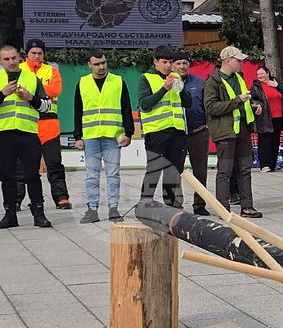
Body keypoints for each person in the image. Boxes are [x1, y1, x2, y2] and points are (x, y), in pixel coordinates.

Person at [0, 46, 52, 228]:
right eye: (6, 59)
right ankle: (9, 215)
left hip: (28, 134)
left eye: (14, 58)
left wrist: (31, 98)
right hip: (3, 134)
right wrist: (2, 94)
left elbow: (47, 107)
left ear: (19, 58)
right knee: (7, 176)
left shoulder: (32, 78)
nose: (11, 62)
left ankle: (39, 213)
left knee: (32, 175)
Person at [72, 49, 134, 223]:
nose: (101, 66)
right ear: (89, 65)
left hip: (113, 136)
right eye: (97, 64)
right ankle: (92, 209)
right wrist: (78, 136)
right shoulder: (82, 83)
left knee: (113, 174)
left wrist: (128, 133)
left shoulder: (117, 82)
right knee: (92, 175)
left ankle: (113, 208)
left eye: (103, 63)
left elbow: (126, 108)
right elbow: (78, 111)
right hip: (91, 136)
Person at [204, 46, 263, 217]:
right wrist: (237, 101)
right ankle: (223, 208)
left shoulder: (239, 78)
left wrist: (253, 107)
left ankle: (247, 206)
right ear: (227, 61)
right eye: (238, 60)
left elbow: (242, 103)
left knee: (245, 169)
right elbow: (211, 107)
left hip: (243, 129)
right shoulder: (213, 81)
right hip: (225, 131)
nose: (242, 63)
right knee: (225, 170)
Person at [17, 39, 71, 210]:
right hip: (27, 125)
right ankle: (17, 200)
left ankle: (61, 198)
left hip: (50, 126)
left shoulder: (52, 70)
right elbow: (17, 90)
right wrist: (43, 89)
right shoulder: (19, 70)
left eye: (40, 53)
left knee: (54, 164)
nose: (37, 56)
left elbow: (56, 90)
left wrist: (31, 90)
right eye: (33, 53)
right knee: (21, 168)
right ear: (27, 54)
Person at [138, 45, 192, 207]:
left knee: (173, 172)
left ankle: (169, 206)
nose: (168, 66)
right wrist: (163, 89)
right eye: (164, 62)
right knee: (154, 171)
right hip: (156, 133)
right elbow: (144, 104)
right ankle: (145, 203)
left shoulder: (176, 77)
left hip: (177, 132)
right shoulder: (146, 78)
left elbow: (188, 103)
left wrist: (181, 89)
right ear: (156, 62)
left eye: (170, 62)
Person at [174, 52, 211, 216]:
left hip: (198, 132)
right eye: (178, 63)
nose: (181, 66)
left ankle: (200, 205)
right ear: (172, 65)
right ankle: (176, 205)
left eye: (184, 63)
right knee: (175, 171)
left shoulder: (199, 82)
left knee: (200, 171)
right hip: (176, 135)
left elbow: (207, 105)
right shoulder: (167, 83)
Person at [251, 65, 283, 173]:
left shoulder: (275, 83)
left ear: (267, 73)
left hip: (278, 117)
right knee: (265, 141)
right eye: (258, 74)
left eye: (262, 74)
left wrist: (277, 86)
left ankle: (273, 164)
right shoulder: (256, 87)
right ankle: (264, 164)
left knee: (275, 141)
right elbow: (252, 100)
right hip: (265, 117)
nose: (260, 76)